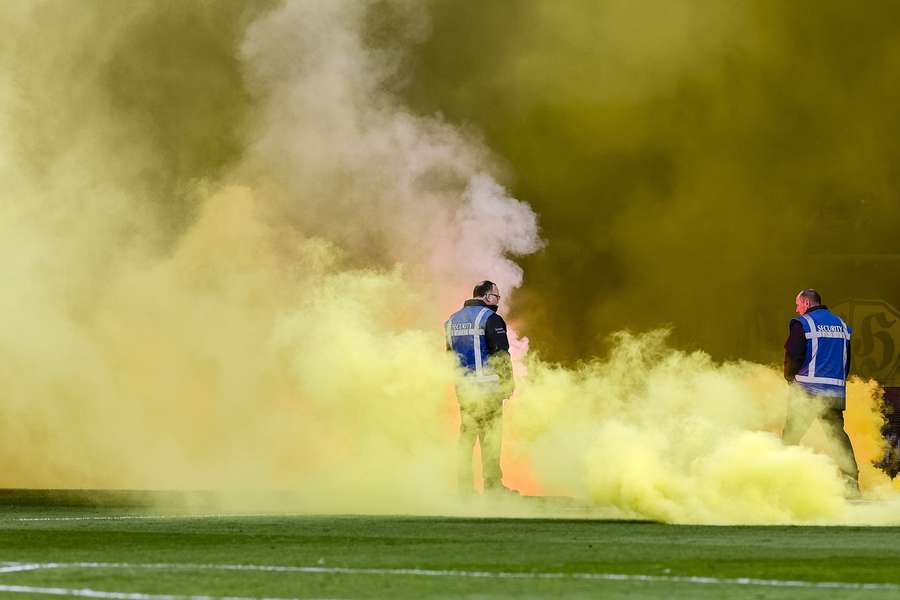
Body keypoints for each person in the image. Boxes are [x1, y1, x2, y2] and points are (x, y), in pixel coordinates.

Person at [782, 288, 859, 492]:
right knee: (837, 437)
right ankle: (851, 483)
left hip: (807, 391)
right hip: (834, 392)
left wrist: (790, 377)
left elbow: (794, 355)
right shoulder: (843, 326)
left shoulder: (803, 323)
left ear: (807, 303)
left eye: (798, 304)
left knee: (791, 437)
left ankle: (785, 482)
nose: (797, 309)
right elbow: (847, 361)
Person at [445, 280, 516, 495]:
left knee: (466, 438)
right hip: (488, 389)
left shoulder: (451, 321)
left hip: (465, 390)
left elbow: (450, 357)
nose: (497, 302)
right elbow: (501, 353)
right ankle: (493, 486)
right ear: (486, 297)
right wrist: (507, 382)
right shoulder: (490, 318)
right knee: (491, 437)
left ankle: (464, 488)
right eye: (496, 297)